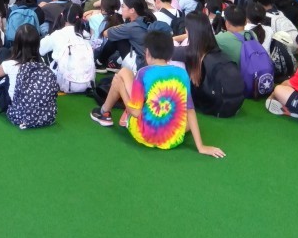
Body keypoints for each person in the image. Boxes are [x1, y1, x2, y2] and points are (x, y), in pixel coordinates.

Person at [90, 31, 225, 158]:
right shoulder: (182, 74)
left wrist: (122, 89)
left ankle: (104, 113)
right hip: (172, 138)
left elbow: (136, 113)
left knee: (122, 76)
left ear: (147, 52)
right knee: (186, 118)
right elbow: (190, 110)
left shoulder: (143, 73)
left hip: (145, 135)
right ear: (170, 54)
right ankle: (113, 112)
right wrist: (201, 147)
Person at [95, 0, 168, 72]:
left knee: (116, 38)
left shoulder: (131, 27)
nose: (121, 9)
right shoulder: (149, 18)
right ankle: (115, 63)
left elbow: (106, 33)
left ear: (132, 10)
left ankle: (99, 63)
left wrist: (122, 26)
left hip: (140, 66)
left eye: (123, 6)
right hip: (155, 62)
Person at [39, 3, 95, 93]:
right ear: (81, 18)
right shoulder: (86, 35)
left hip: (66, 84)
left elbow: (40, 50)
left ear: (62, 16)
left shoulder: (57, 34)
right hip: (88, 83)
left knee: (46, 51)